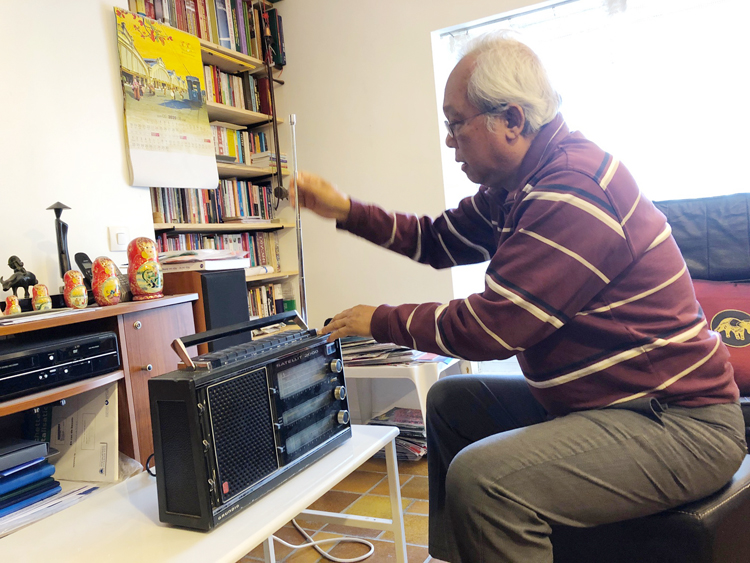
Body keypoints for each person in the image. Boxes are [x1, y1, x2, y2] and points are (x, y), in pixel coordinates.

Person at [291, 33, 746, 562]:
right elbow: (435, 241)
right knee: (451, 403)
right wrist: (345, 210)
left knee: (485, 481)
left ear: (510, 119)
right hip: (611, 403)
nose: (449, 141)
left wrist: (380, 320)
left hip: (680, 424)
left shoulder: (569, 190)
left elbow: (492, 328)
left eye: (455, 123)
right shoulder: (515, 188)